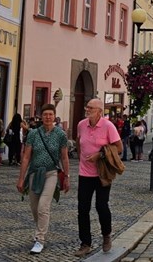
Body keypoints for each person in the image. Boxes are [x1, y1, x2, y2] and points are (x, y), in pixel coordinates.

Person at [16, 103, 70, 255]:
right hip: (34, 173)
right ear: (41, 116)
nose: (48, 117)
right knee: (34, 207)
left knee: (43, 206)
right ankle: (41, 230)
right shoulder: (33, 134)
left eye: (50, 115)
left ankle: (40, 239)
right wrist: (21, 178)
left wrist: (66, 177)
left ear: (54, 117)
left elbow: (65, 158)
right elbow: (26, 157)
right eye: (45, 114)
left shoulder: (61, 135)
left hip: (51, 173)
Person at [75, 98, 122, 257]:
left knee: (101, 205)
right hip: (84, 173)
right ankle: (85, 243)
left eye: (91, 108)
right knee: (82, 208)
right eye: (87, 107)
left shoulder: (108, 126)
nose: (87, 110)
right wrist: (83, 157)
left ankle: (106, 235)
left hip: (102, 173)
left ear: (100, 112)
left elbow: (119, 148)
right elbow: (78, 142)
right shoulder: (81, 125)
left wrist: (100, 154)